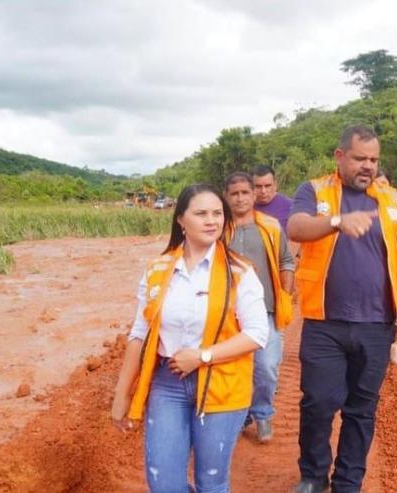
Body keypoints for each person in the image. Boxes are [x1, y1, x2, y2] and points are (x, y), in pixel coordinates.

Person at [288, 125, 397, 493]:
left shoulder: (392, 200)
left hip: (377, 324)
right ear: (339, 156)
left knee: (362, 408)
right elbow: (296, 227)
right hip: (324, 322)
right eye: (359, 158)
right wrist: (336, 222)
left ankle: (349, 481)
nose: (367, 166)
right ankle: (314, 476)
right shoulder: (314, 191)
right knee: (318, 403)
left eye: (374, 159)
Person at [110, 184, 269, 493]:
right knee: (163, 482)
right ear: (181, 220)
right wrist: (121, 395)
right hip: (169, 383)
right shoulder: (158, 270)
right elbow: (139, 334)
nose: (212, 220)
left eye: (217, 213)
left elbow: (257, 333)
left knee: (211, 482)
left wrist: (202, 356)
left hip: (222, 382)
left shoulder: (239, 272)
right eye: (201, 213)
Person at [222, 171, 295, 444]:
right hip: (228, 315)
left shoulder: (271, 226)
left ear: (254, 195)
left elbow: (287, 260)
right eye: (234, 193)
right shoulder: (219, 228)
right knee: (233, 368)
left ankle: (263, 413)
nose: (240, 198)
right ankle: (240, 416)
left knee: (266, 367)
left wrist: (284, 295)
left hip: (266, 312)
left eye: (245, 192)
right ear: (226, 198)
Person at [374, 169, 397, 365]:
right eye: (378, 184)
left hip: (394, 270)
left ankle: (392, 342)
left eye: (385, 184)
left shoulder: (396, 207)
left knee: (393, 308)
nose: (381, 188)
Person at [252, 164, 293, 232]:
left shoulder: (291, 207)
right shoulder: (243, 209)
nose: (263, 191)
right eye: (258, 186)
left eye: (267, 186)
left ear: (275, 185)